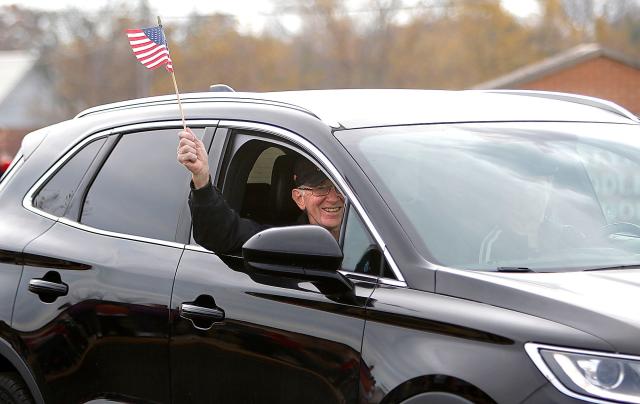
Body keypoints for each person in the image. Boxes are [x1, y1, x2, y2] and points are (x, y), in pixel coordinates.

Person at [177, 128, 345, 254]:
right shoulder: (285, 242)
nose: (332, 197)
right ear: (299, 198)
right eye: (321, 189)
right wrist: (201, 178)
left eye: (339, 187)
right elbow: (220, 233)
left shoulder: (369, 232)